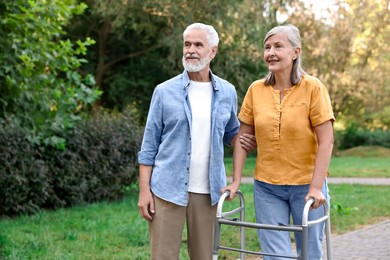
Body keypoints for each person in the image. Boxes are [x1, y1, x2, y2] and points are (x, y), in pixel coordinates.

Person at [137, 22, 256, 260]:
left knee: (204, 256)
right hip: (167, 190)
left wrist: (252, 138)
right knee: (163, 256)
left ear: (212, 51)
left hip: (208, 191)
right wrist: (144, 191)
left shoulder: (227, 91)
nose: (190, 49)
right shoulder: (164, 91)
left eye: (198, 44)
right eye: (187, 44)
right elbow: (149, 146)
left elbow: (232, 133)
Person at [223, 24, 335, 259]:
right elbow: (243, 139)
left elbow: (326, 142)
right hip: (267, 187)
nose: (270, 52)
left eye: (277, 46)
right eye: (267, 47)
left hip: (306, 185)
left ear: (296, 52)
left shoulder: (313, 87)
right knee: (275, 255)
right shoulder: (256, 90)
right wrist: (235, 181)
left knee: (310, 252)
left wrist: (316, 187)